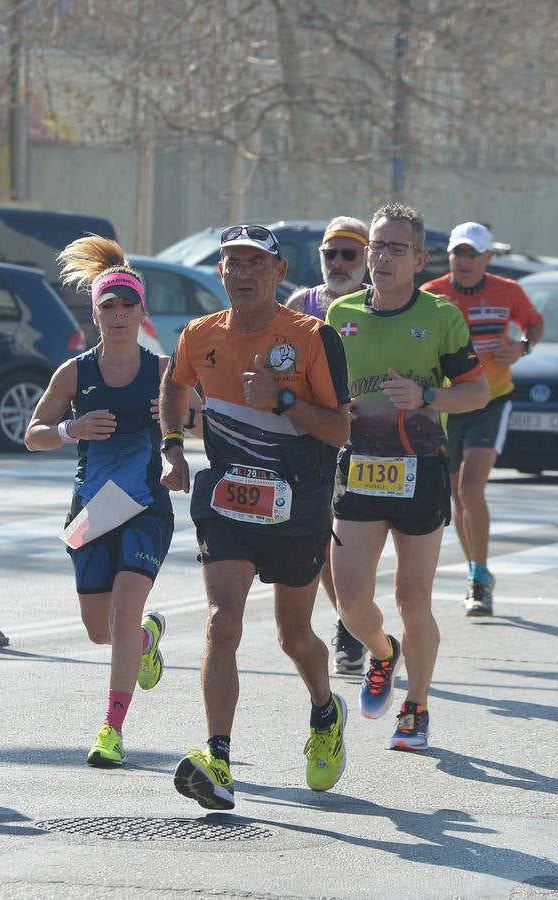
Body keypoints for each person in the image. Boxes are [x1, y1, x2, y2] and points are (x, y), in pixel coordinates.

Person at [160, 223, 352, 810]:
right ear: (219, 272)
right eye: (231, 263)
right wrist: (173, 444)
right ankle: (218, 758)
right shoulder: (199, 335)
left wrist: (284, 400)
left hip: (299, 498)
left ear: (276, 273)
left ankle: (325, 710)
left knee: (294, 635)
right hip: (228, 500)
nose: (241, 274)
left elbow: (342, 429)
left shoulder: (312, 337)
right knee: (223, 622)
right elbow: (174, 385)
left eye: (253, 264)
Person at [326, 204, 488, 751]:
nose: (382, 257)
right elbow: (317, 390)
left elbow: (476, 392)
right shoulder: (339, 313)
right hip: (359, 465)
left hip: (420, 469)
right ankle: (382, 651)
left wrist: (427, 397)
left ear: (420, 258)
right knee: (350, 603)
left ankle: (416, 705)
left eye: (397, 249)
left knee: (412, 598)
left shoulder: (441, 317)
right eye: (376, 246)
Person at [25, 236, 174, 768]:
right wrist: (72, 428)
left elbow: (205, 420)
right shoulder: (74, 373)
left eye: (127, 305)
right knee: (100, 630)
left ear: (141, 312)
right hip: (92, 509)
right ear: (95, 315)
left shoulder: (163, 371)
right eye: (108, 306)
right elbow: (33, 433)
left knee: (125, 603)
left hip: (145, 504)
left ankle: (111, 730)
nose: (118, 315)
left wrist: (175, 425)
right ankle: (144, 640)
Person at [421, 222, 543, 616]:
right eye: (458, 252)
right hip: (448, 403)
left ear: (489, 257)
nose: (464, 260)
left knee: (472, 489)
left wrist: (522, 347)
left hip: (491, 400)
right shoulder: (432, 294)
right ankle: (478, 571)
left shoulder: (508, 291)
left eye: (473, 253)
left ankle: (478, 576)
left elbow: (534, 323)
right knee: (457, 494)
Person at [285, 215, 371, 675]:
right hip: (309, 436)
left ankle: (358, 619)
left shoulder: (377, 305)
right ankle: (349, 624)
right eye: (329, 254)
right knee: (320, 540)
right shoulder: (302, 304)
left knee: (352, 543)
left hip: (366, 440)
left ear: (366, 260)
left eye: (349, 254)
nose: (338, 263)